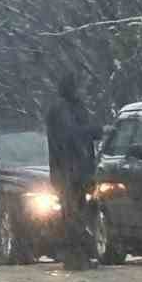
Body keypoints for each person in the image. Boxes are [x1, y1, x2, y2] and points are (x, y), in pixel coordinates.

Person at [45, 69, 102, 270]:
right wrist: (93, 131)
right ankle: (75, 256)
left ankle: (78, 255)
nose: (82, 91)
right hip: (68, 171)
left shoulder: (73, 107)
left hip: (76, 170)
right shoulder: (61, 109)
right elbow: (69, 134)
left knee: (77, 213)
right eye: (79, 87)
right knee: (72, 214)